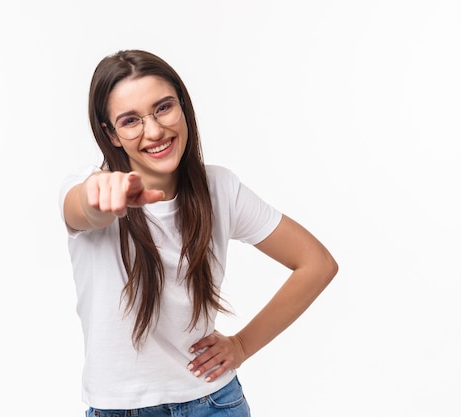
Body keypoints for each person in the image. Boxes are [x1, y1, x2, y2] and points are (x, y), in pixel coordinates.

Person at [59, 49, 338, 417]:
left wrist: (240, 345)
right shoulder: (88, 184)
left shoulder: (220, 188)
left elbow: (316, 264)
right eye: (130, 121)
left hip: (215, 403)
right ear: (111, 135)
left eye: (163, 107)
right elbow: (83, 208)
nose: (155, 130)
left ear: (183, 106)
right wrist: (101, 196)